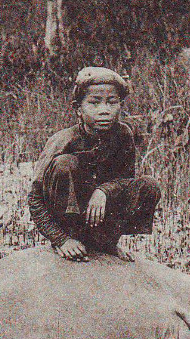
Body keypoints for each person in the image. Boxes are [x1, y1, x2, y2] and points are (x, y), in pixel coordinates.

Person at [28, 67, 161, 262]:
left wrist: (104, 191)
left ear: (120, 105)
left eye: (112, 102)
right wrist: (60, 238)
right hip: (69, 222)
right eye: (94, 103)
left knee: (149, 186)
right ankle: (69, 241)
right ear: (78, 109)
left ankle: (106, 243)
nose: (104, 110)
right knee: (65, 164)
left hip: (100, 217)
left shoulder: (123, 135)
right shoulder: (63, 141)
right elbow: (35, 197)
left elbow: (126, 182)